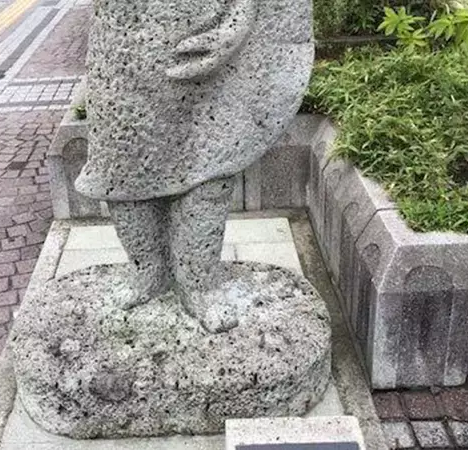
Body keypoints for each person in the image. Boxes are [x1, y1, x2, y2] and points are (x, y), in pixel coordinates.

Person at [76, 0, 313, 332]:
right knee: (121, 169)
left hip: (206, 42)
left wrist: (239, 21)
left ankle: (200, 284)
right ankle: (147, 272)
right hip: (123, 47)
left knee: (208, 170)